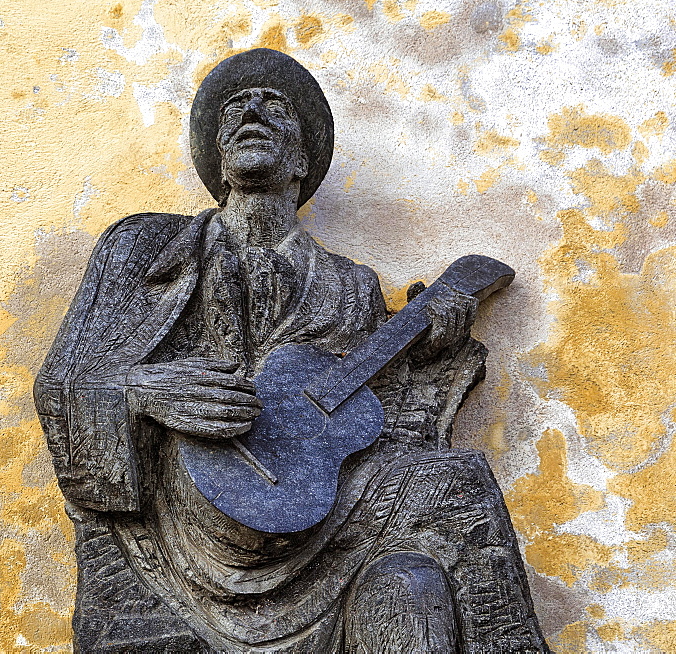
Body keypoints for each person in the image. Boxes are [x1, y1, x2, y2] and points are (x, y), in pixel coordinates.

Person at [35, 48, 547, 652]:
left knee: (449, 499)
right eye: (234, 112)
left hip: (327, 525)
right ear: (220, 161)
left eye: (272, 106)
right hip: (182, 521)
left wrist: (431, 350)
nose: (250, 110)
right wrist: (146, 391)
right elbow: (64, 382)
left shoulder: (349, 286)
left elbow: (375, 425)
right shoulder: (143, 249)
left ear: (302, 160)